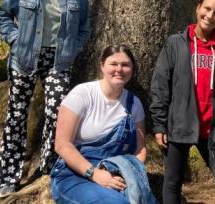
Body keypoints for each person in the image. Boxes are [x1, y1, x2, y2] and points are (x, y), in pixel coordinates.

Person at [0, 0, 90, 197]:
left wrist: (74, 47)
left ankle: (46, 169)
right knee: (16, 115)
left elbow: (84, 28)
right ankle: (7, 176)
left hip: (58, 61)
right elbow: (2, 14)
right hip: (24, 57)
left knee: (56, 114)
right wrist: (14, 39)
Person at [150, 0, 215, 204]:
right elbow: (160, 84)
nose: (210, 16)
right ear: (198, 7)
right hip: (179, 126)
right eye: (207, 9)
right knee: (172, 183)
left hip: (214, 131)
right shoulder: (176, 43)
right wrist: (159, 125)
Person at [50, 45, 156, 204]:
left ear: (132, 69)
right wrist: (95, 174)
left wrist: (129, 173)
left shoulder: (134, 104)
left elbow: (140, 149)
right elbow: (62, 145)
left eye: (125, 65)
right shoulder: (83, 93)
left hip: (116, 174)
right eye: (113, 64)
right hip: (74, 174)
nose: (119, 69)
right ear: (102, 66)